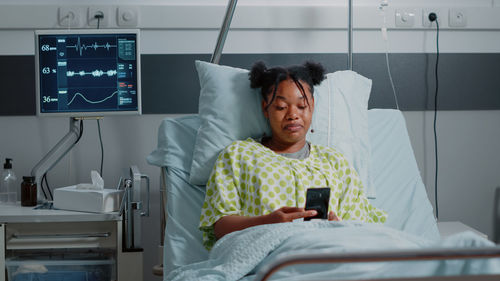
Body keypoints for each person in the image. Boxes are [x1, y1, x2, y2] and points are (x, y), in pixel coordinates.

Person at [199, 61, 387, 250]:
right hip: (266, 258)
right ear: (266, 108)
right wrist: (267, 222)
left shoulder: (335, 162)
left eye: (301, 106)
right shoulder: (238, 156)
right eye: (281, 107)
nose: (292, 115)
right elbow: (220, 226)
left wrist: (339, 228)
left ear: (312, 106)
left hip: (328, 254)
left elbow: (361, 228)